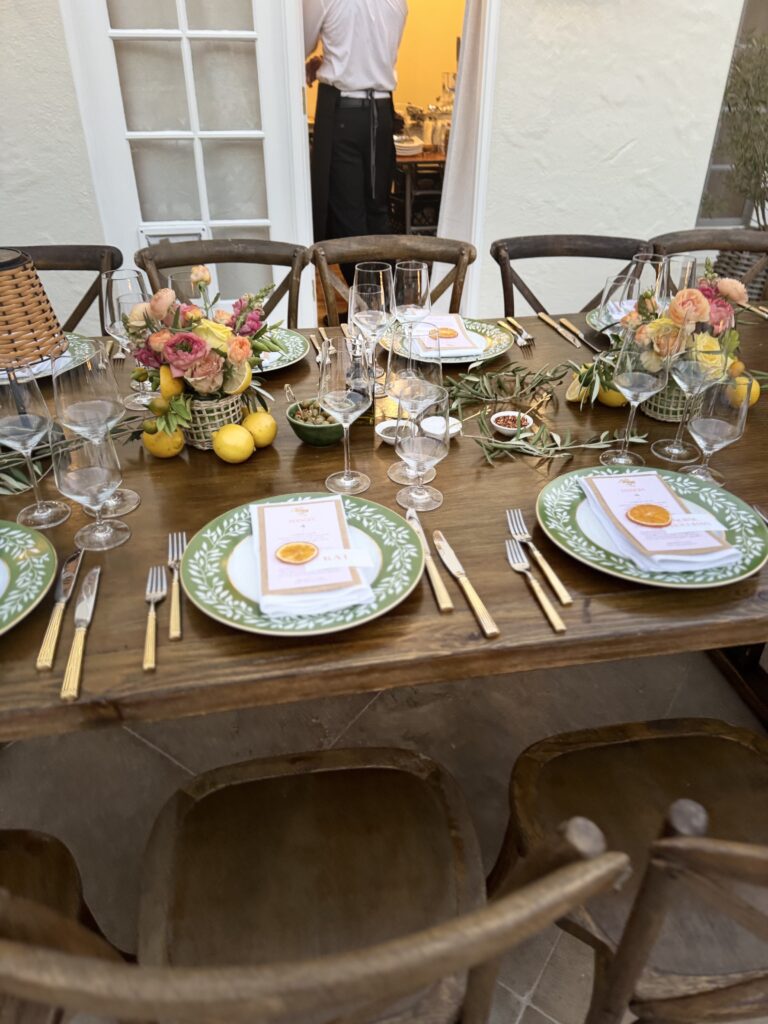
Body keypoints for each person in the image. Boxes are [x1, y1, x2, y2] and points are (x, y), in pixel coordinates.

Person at [303, 0, 408, 276]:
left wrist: (327, 64)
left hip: (343, 112)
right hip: (382, 111)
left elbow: (298, 45)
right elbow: (374, 54)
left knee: (348, 213)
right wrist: (333, 62)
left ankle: (363, 294)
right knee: (378, 209)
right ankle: (383, 292)